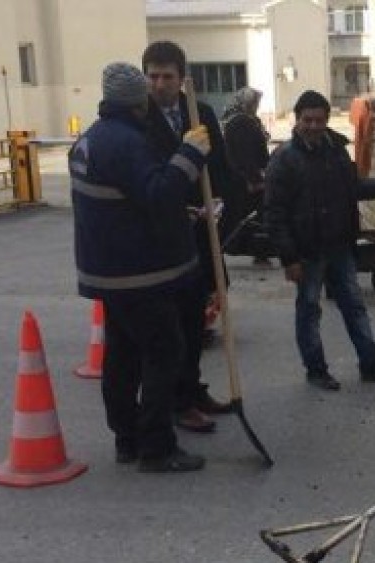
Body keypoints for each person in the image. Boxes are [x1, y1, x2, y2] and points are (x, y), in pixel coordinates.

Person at [70, 61, 212, 472]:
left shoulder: (90, 140)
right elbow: (159, 193)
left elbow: (125, 202)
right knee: (164, 350)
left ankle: (127, 438)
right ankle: (156, 447)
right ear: (138, 103)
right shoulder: (126, 143)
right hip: (137, 273)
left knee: (123, 355)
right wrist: (189, 154)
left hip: (107, 270)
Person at [263, 89, 375, 391]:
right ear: (297, 119)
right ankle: (316, 370)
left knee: (355, 307)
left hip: (340, 246)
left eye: (319, 120)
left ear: (328, 120)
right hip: (307, 251)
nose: (314, 126)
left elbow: (355, 188)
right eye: (308, 120)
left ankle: (372, 365)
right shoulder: (284, 159)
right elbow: (274, 214)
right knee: (309, 311)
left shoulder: (337, 152)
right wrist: (289, 258)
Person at [141, 40, 235, 434]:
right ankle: (177, 403)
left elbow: (220, 167)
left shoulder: (202, 113)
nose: (160, 84)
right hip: (163, 237)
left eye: (167, 77)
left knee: (197, 320)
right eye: (153, 76)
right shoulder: (141, 119)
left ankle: (194, 390)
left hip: (202, 233)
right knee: (173, 327)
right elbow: (146, 180)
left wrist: (220, 202)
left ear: (182, 80)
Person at [220, 86, 273, 267]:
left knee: (243, 216)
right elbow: (245, 154)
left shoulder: (239, 120)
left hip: (241, 177)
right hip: (244, 179)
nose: (257, 106)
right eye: (255, 102)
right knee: (250, 217)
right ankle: (253, 252)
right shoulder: (242, 122)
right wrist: (254, 180)